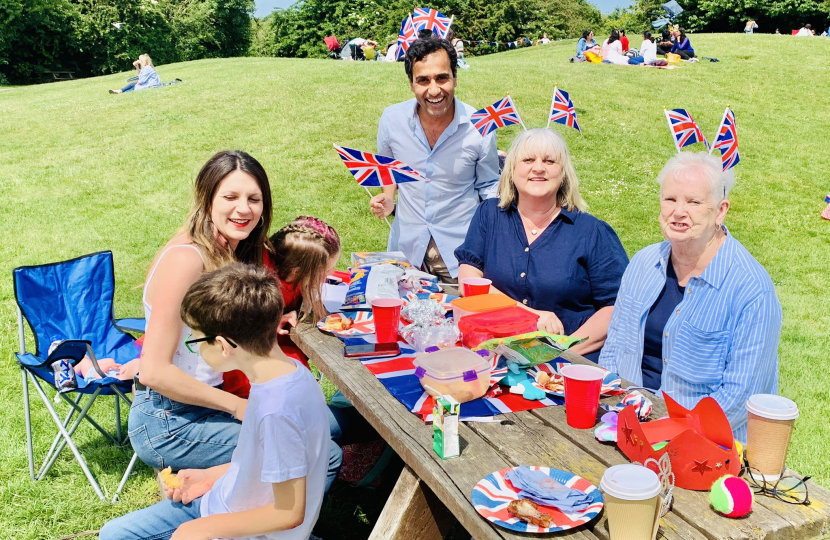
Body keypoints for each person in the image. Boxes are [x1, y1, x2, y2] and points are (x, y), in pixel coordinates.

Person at [100, 263, 330, 540]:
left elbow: (289, 513)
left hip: (245, 531)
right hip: (222, 501)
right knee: (114, 534)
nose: (195, 347)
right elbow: (257, 463)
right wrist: (210, 476)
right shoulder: (282, 374)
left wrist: (200, 528)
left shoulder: (276, 410)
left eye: (196, 339)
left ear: (222, 345)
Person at [598, 152, 782, 443]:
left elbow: (740, 396)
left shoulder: (751, 290)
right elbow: (614, 347)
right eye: (670, 199)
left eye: (694, 202)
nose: (679, 211)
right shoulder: (644, 263)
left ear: (720, 211)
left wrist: (665, 432)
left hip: (707, 445)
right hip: (627, 421)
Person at [128, 151, 273, 473]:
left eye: (254, 198)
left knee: (326, 426)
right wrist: (239, 407)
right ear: (207, 199)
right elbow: (153, 372)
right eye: (230, 197)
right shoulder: (187, 259)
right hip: (169, 422)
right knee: (312, 446)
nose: (244, 209)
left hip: (206, 404)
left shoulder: (227, 253)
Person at [455, 129, 628, 361]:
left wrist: (561, 353)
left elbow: (618, 306)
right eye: (528, 160)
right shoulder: (489, 214)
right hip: (494, 351)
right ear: (512, 170)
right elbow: (469, 283)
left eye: (549, 161)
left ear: (563, 173)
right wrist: (529, 315)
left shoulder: (592, 232)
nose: (538, 168)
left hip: (567, 362)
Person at [369, 37, 499, 283]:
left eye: (442, 77)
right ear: (411, 84)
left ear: (455, 78)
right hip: (406, 256)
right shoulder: (391, 120)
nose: (434, 90)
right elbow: (388, 170)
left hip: (461, 259)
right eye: (423, 80)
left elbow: (489, 187)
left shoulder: (480, 125)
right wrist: (388, 197)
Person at [224, 216, 341, 395]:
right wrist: (270, 322)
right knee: (299, 387)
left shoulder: (294, 272)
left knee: (303, 386)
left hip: (278, 348)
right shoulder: (260, 278)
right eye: (326, 271)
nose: (331, 275)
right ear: (298, 271)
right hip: (249, 365)